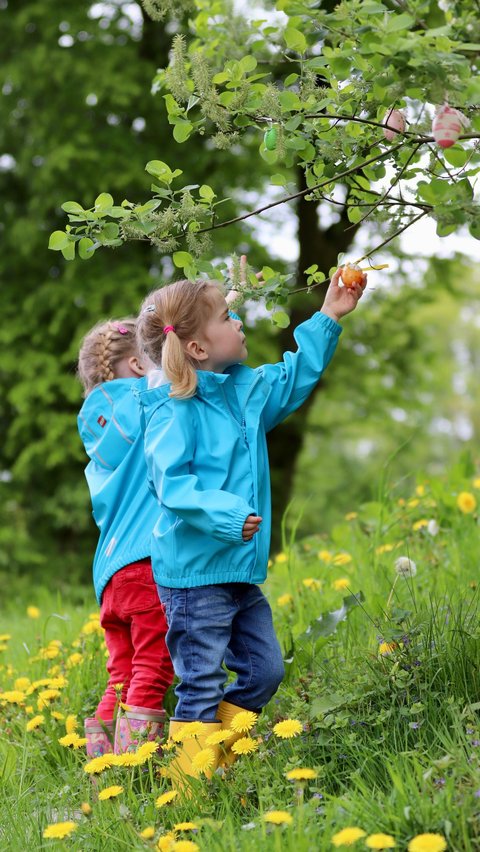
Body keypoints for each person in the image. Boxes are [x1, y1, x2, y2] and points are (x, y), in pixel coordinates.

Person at [134, 266, 366, 781]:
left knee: (264, 672)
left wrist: (328, 315)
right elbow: (173, 488)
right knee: (200, 683)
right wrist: (230, 515)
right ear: (197, 347)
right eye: (226, 316)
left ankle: (219, 761)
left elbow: (294, 376)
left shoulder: (246, 391)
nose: (240, 322)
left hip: (236, 572)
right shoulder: (173, 412)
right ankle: (187, 792)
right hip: (194, 578)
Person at [77, 318, 174, 757]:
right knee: (154, 666)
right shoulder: (147, 400)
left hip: (110, 573)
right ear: (137, 363)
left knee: (122, 673)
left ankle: (100, 764)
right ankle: (136, 767)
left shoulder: (95, 425)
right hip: (146, 562)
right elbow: (178, 379)